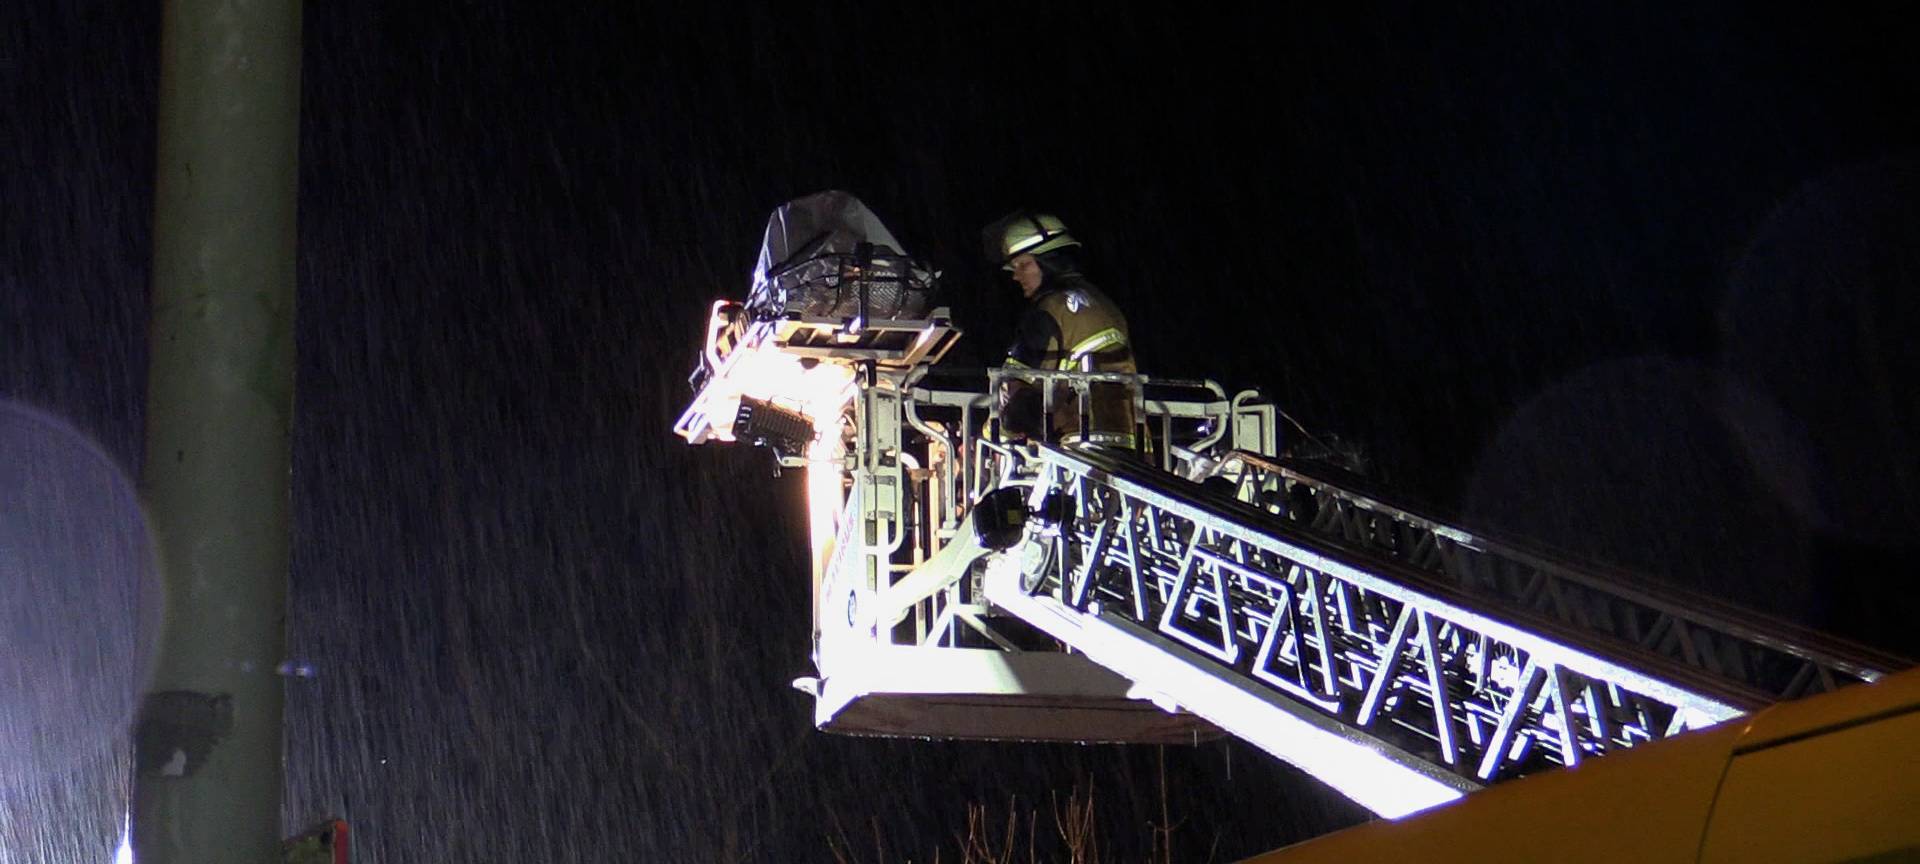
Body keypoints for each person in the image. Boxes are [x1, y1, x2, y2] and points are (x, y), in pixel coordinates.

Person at [989, 211, 1137, 448]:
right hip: (1127, 440)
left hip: (1074, 442)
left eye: (1024, 265)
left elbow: (1016, 386)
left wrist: (994, 432)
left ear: (1049, 261)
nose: (1016, 276)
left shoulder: (1047, 310)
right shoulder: (1104, 303)